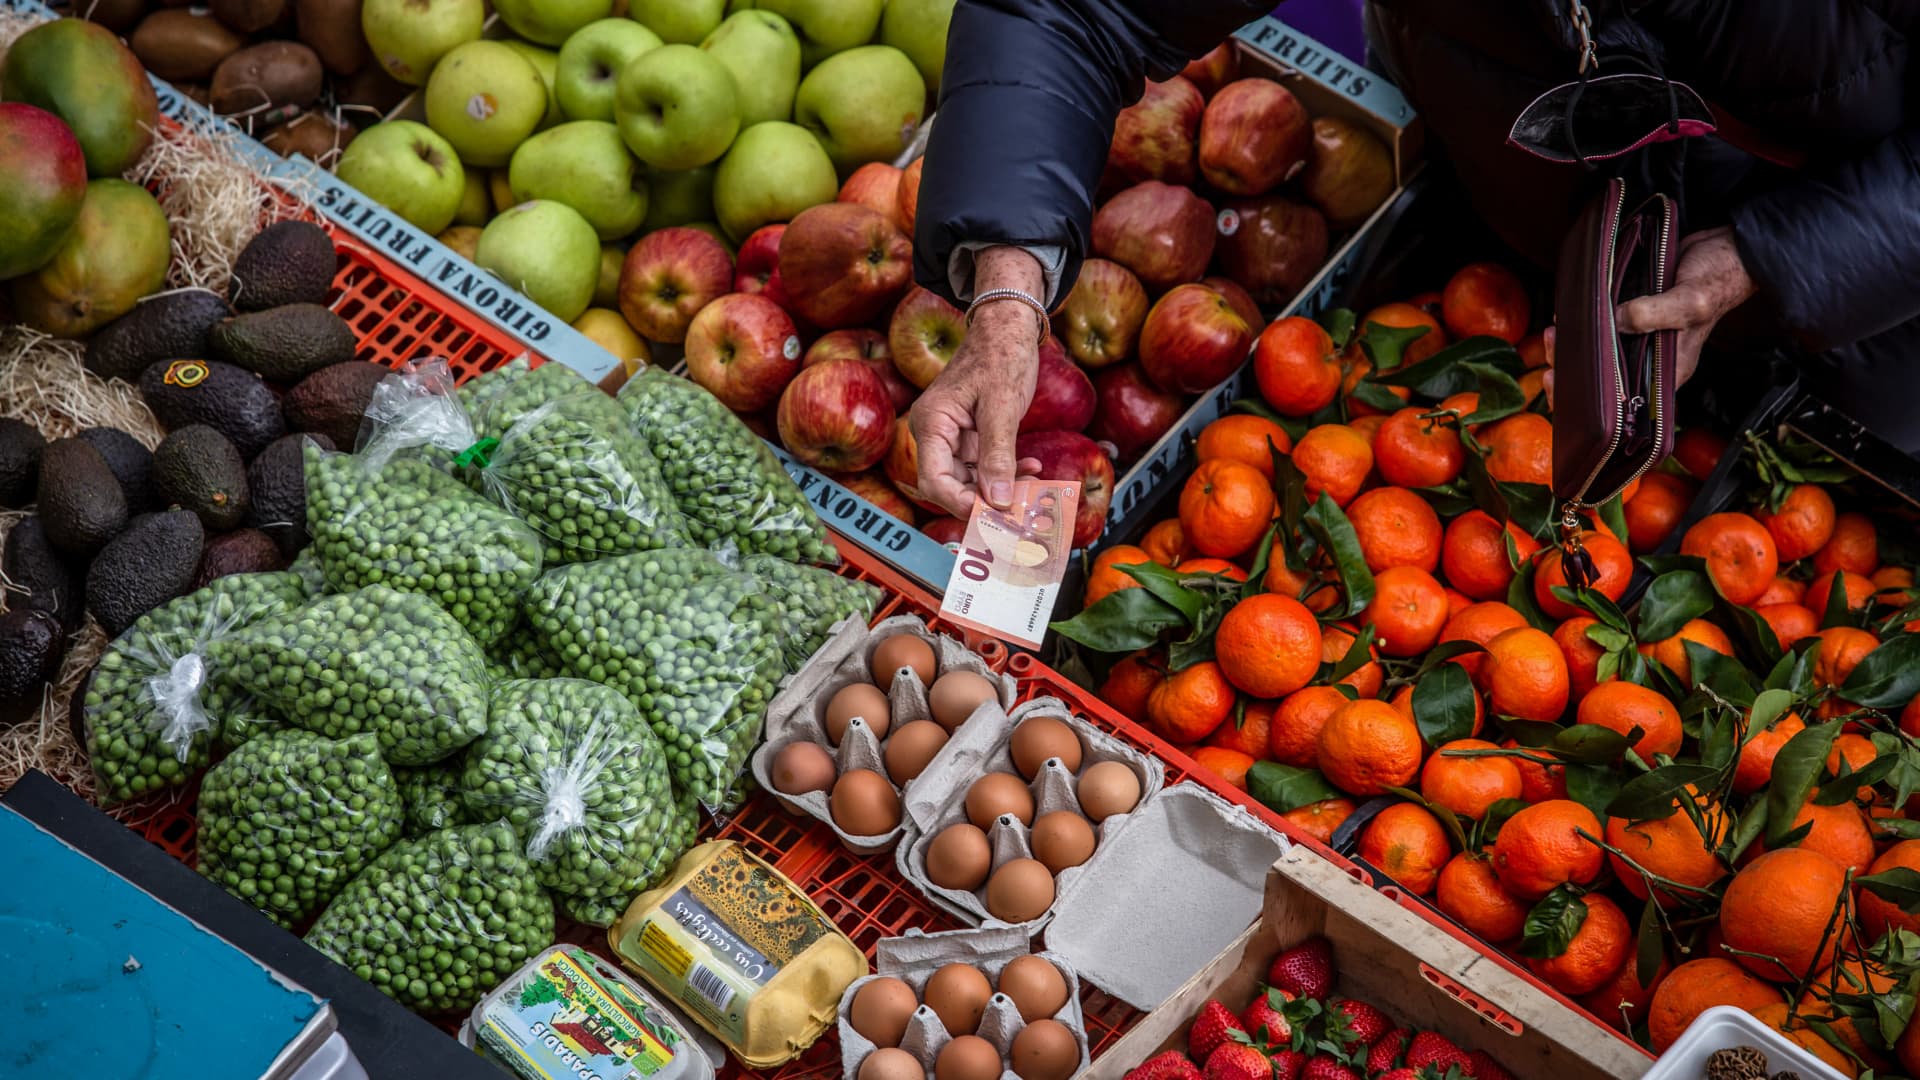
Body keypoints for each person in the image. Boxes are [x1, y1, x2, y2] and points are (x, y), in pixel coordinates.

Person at [907, 0, 1920, 519]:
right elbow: (1072, 10)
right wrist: (1006, 284)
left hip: (1873, 316)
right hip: (1516, 223)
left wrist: (1777, 257)